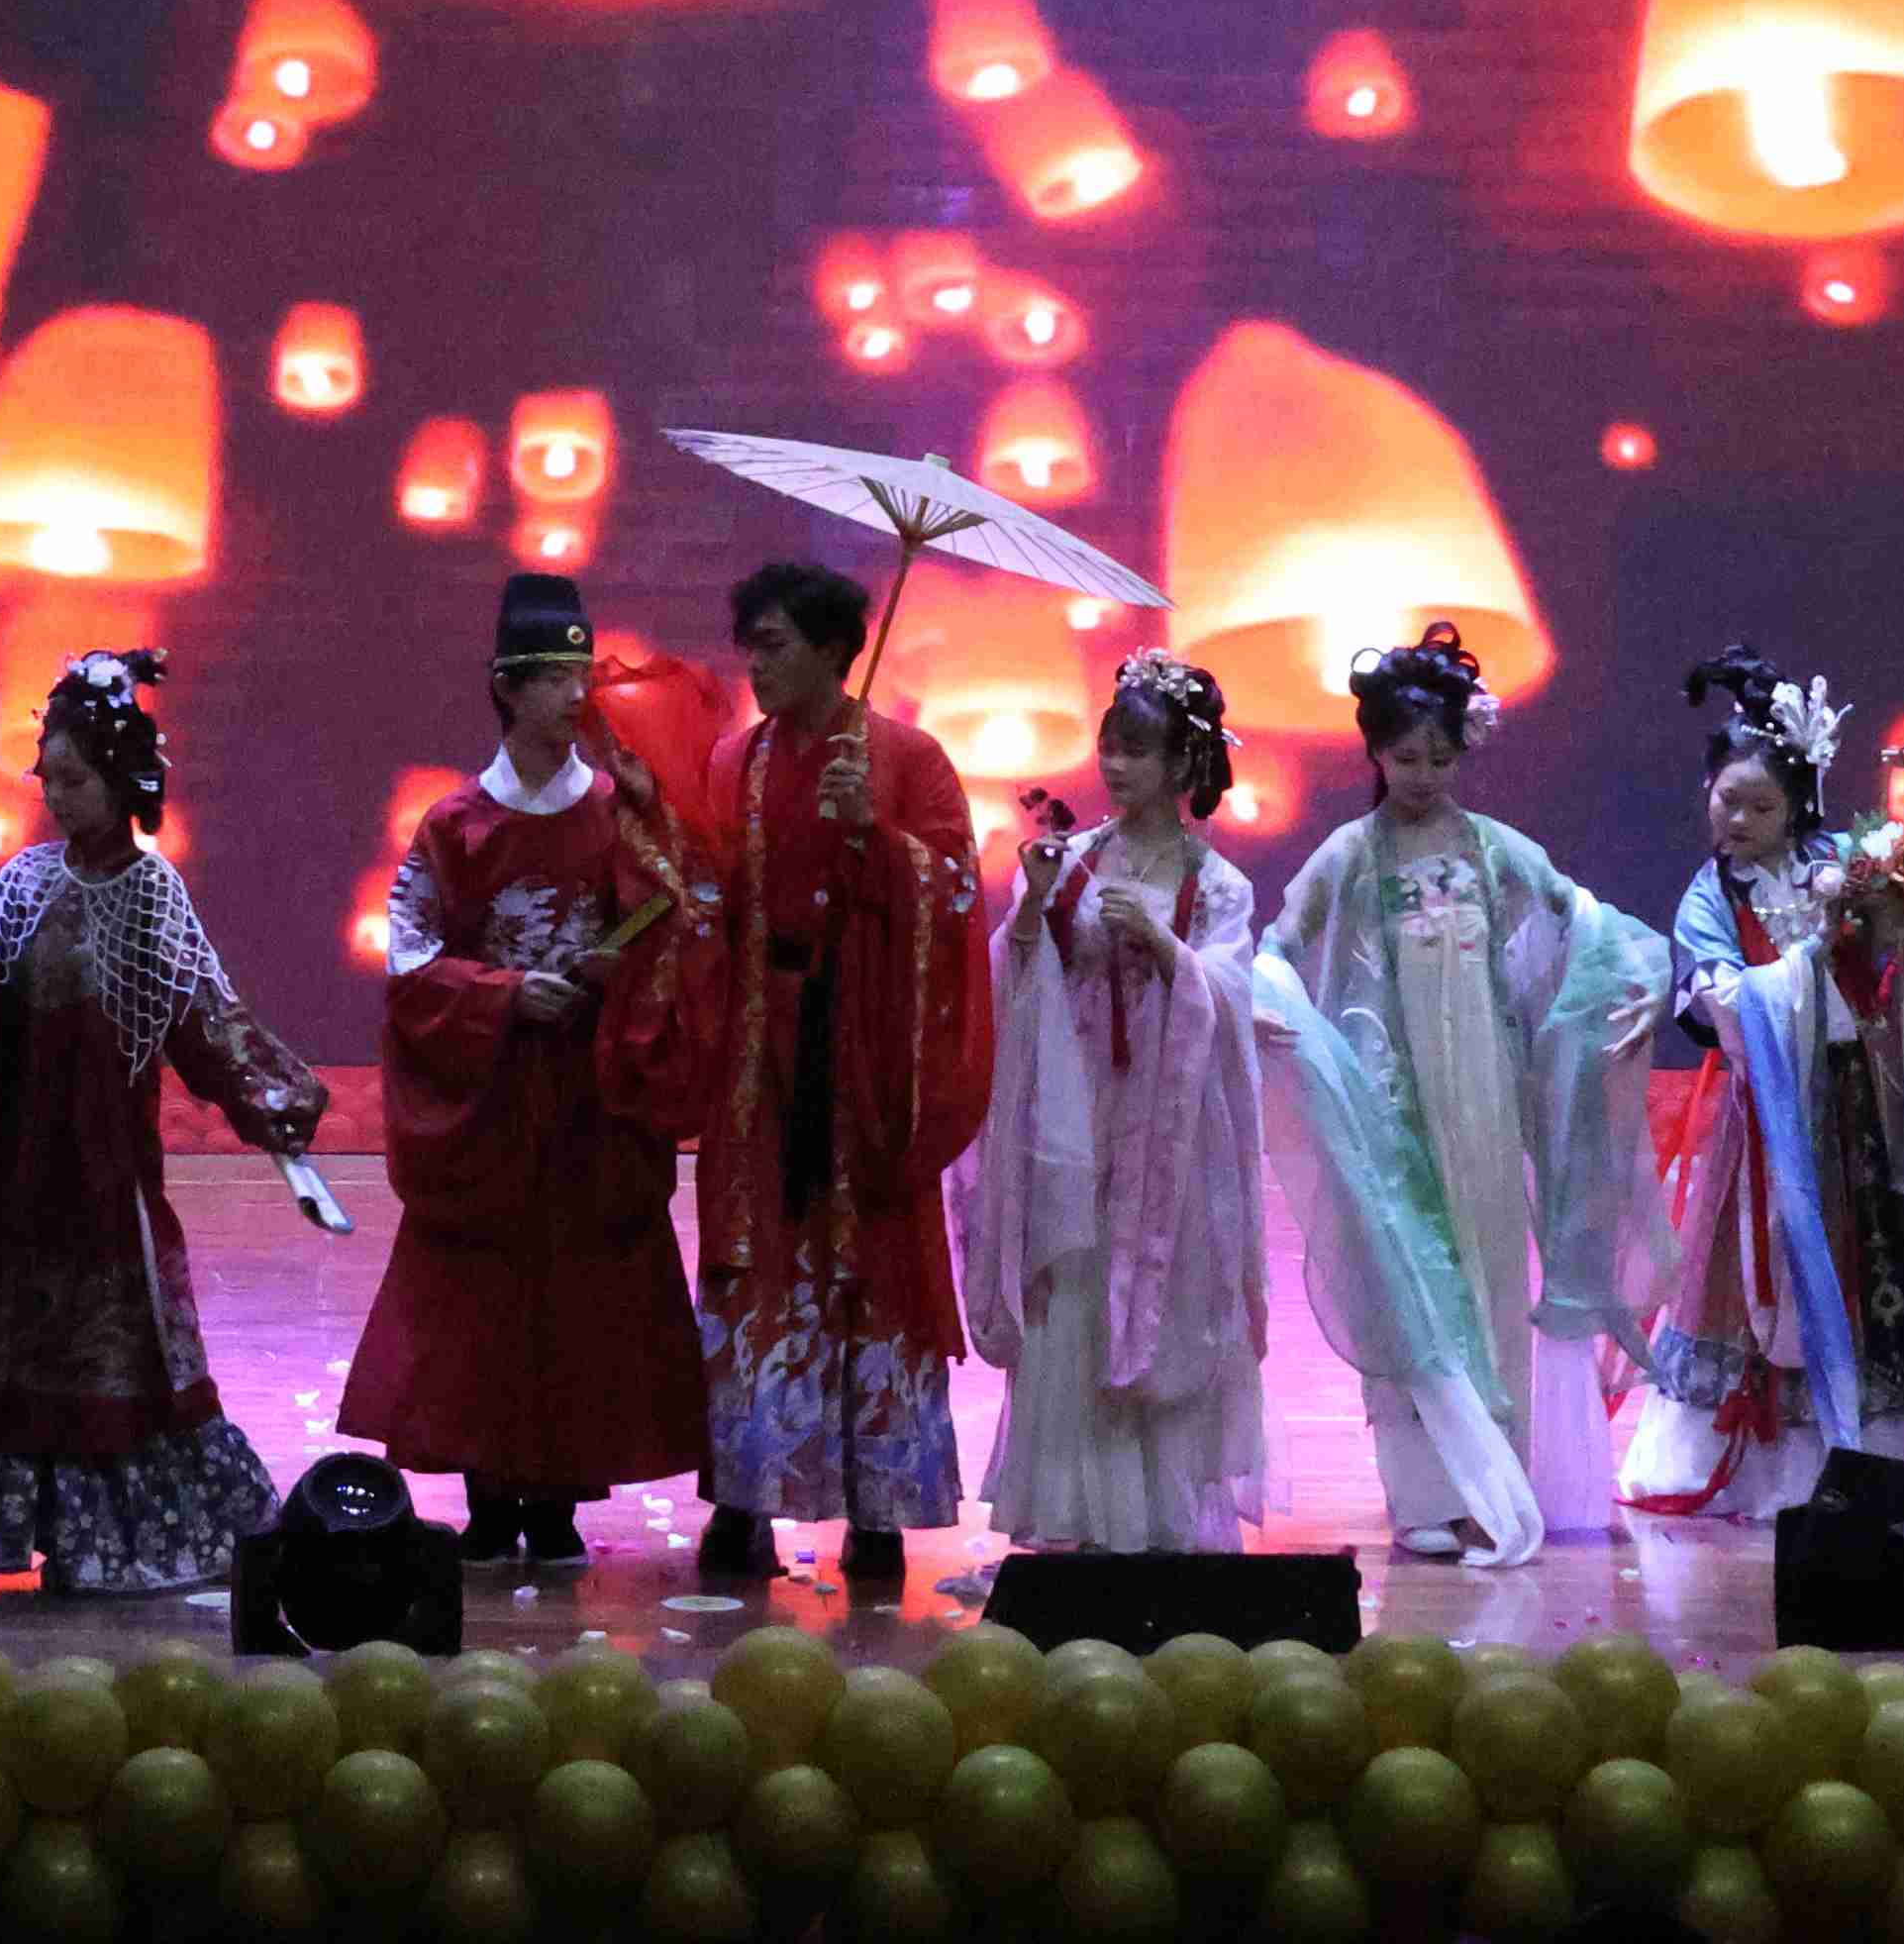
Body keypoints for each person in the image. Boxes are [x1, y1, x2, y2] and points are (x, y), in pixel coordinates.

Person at [0, 649, 334, 1594]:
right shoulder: (21, 883)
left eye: (75, 780)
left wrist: (272, 1107)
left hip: (103, 1176)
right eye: (47, 779)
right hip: (14, 1174)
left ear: (124, 779)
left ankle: (110, 1540)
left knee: (115, 1342)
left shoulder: (153, 893)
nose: (56, 798)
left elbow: (208, 1017)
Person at [1258, 624, 1679, 1561]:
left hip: (1483, 1099)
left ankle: (1494, 1481)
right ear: (1375, 752)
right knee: (1404, 1279)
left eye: (1440, 758)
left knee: (1489, 1277)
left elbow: (1584, 919)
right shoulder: (1351, 854)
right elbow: (1278, 946)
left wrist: (1644, 982)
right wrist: (1272, 999)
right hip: (1386, 1100)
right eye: (1405, 757)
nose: (1422, 775)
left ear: (1464, 752)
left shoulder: (1494, 850)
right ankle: (1421, 1492)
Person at [341, 573, 717, 1572]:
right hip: (493, 1093)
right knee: (480, 1296)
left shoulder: (619, 809)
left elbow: (675, 918)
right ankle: (487, 1492)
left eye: (581, 676)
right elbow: (409, 954)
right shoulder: (455, 824)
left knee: (581, 1296)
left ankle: (557, 1498)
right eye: (554, 677)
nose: (575, 696)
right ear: (506, 687)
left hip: (590, 1093)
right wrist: (506, 994)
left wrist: (627, 947)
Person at [687, 555, 994, 1594]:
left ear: (832, 649)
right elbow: (707, 895)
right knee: (756, 1261)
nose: (757, 664)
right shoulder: (732, 760)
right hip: (758, 1059)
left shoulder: (908, 758)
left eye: (774, 645)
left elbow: (957, 892)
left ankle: (879, 1510)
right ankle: (743, 1499)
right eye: (751, 646)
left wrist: (879, 836)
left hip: (862, 1059)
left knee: (869, 1268)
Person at [1621, 652, 1904, 1519]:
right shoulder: (1709, 899)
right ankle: (1769, 1470)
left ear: (1799, 806)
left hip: (1858, 1111)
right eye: (1727, 800)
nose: (1739, 819)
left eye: (1761, 806)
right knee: (1761, 1272)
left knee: (1870, 1270)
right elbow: (1720, 1005)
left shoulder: (1843, 865)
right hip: (1763, 1122)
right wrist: (1802, 968)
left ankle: (1866, 1456)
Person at [960, 658, 1279, 1554]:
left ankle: (1159, 1516)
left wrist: (1167, 950)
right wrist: (1035, 910)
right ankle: (1077, 1509)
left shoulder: (1217, 884)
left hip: (1169, 1125)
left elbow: (1230, 989)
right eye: (1109, 747)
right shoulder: (1075, 861)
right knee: (1075, 1282)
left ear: (1183, 765)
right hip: (1077, 1119)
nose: (1115, 766)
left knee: (1162, 1288)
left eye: (1137, 751)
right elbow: (1015, 968)